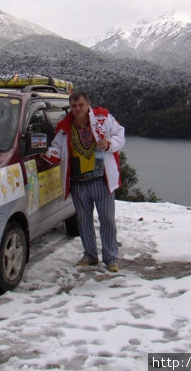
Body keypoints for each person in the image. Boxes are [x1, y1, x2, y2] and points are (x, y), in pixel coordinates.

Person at [44, 91, 125, 272]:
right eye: (73, 106)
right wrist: (49, 154)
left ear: (87, 104)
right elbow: (56, 149)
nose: (77, 109)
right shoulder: (65, 129)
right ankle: (90, 255)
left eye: (80, 105)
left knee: (107, 219)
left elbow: (121, 134)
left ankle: (111, 257)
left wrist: (110, 144)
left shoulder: (103, 119)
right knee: (83, 220)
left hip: (101, 180)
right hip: (78, 182)